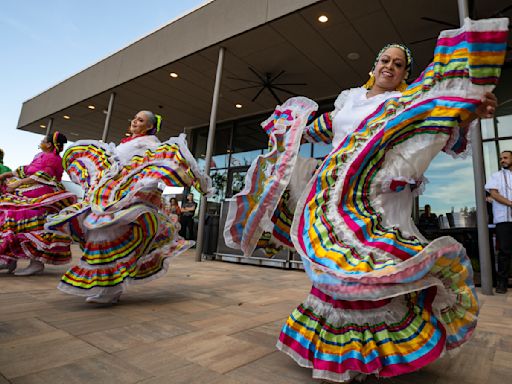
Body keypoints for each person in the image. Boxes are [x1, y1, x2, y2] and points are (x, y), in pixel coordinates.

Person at [225, 17, 506, 382]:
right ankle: (344, 353)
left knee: (373, 266)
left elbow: (444, 131)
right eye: (384, 60)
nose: (389, 66)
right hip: (334, 196)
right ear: (373, 67)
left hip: (383, 197)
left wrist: (470, 110)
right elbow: (315, 131)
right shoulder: (348, 100)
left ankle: (371, 355)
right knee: (337, 267)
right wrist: (285, 131)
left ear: (405, 74)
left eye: (398, 63)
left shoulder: (404, 102)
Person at [46, 111, 211, 304]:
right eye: (134, 118)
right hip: (109, 198)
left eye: (140, 120)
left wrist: (141, 193)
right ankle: (107, 287)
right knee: (97, 235)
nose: (134, 121)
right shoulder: (126, 143)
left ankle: (111, 290)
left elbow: (154, 168)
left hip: (126, 200)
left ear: (149, 126)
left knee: (106, 236)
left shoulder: (150, 144)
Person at [0, 132, 76, 275]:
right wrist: (6, 176)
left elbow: (41, 176)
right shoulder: (40, 156)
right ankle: (8, 259)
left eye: (43, 140)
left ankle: (36, 263)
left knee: (29, 220)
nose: (40, 142)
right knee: (9, 215)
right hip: (31, 192)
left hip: (43, 195)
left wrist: (18, 183)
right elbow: (26, 170)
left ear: (48, 144)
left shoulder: (53, 158)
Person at [485, 150, 512, 294]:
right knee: (504, 251)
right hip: (503, 219)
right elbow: (494, 194)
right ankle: (502, 284)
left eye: (506, 158)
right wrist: (510, 203)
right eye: (501, 158)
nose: (503, 160)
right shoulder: (496, 176)